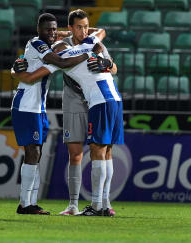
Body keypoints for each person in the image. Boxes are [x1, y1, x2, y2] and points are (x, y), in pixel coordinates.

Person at [13, 36, 123, 216]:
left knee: (97, 149)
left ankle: (96, 206)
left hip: (99, 101)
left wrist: (14, 72)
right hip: (115, 97)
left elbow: (32, 76)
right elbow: (100, 39)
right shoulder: (89, 45)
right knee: (106, 150)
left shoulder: (62, 60)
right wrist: (105, 61)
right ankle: (103, 204)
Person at [58, 9, 117, 216]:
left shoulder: (95, 42)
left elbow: (114, 68)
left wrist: (107, 63)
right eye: (78, 27)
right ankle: (73, 205)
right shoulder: (63, 46)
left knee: (104, 150)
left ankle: (104, 202)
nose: (83, 31)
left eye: (85, 26)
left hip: (97, 98)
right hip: (74, 99)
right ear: (70, 28)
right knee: (75, 154)